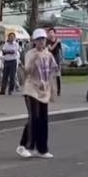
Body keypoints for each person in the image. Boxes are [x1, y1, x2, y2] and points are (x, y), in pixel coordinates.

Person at [17, 28, 57, 158]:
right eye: (38, 39)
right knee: (34, 117)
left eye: (43, 39)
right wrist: (34, 59)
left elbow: (52, 72)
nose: (41, 42)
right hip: (31, 89)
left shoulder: (48, 54)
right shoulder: (30, 54)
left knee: (43, 119)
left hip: (43, 90)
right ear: (34, 41)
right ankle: (24, 145)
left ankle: (42, 148)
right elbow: (27, 72)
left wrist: (52, 89)